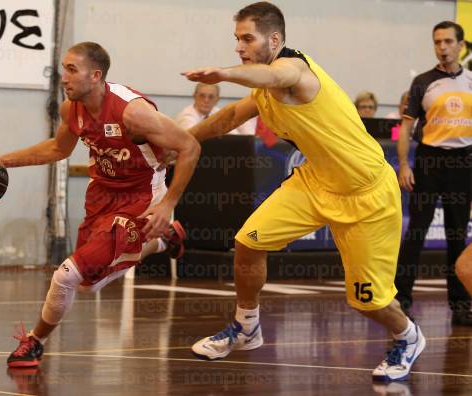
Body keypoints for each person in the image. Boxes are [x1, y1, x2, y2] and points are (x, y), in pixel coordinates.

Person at [181, 1, 424, 382]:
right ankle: (247, 326)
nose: (239, 47)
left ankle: (407, 337)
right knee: (248, 241)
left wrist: (225, 74)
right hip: (315, 183)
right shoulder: (261, 89)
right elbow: (227, 118)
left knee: (368, 301)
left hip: (367, 195)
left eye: (248, 39)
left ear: (274, 39)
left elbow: (275, 76)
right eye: (236, 39)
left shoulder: (295, 71)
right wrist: (179, 143)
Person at [0, 41, 201, 367]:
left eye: (71, 69)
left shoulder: (132, 113)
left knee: (66, 275)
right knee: (89, 285)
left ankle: (34, 342)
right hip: (101, 195)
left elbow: (190, 147)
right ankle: (163, 240)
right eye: (63, 68)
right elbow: (57, 149)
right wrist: (2, 161)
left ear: (95, 76)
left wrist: (167, 205)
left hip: (141, 197)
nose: (63, 77)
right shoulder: (72, 109)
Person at [395, 21, 472, 326]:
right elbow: (406, 127)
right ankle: (401, 299)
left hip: (463, 163)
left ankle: (461, 304)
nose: (442, 47)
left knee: (457, 236)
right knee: (416, 233)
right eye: (437, 42)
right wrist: (403, 164)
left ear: (461, 46)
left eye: (448, 42)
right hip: (429, 161)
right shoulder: (423, 82)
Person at [175, 82, 255, 135]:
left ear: (217, 100)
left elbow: (235, 135)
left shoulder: (217, 112)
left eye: (211, 97)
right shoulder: (186, 116)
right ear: (194, 96)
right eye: (202, 96)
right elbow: (193, 139)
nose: (206, 100)